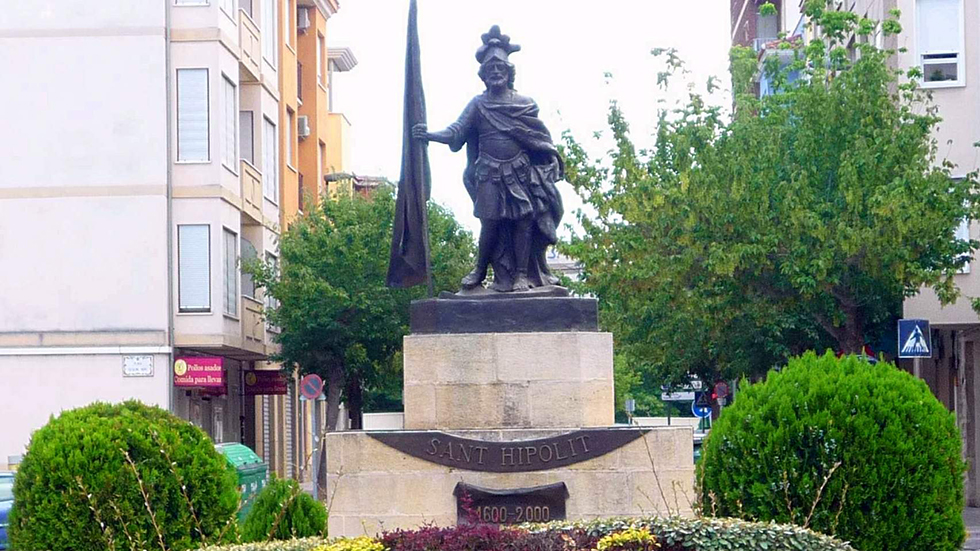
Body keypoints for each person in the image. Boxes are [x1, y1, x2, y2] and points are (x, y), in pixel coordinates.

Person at [413, 25, 563, 292]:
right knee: (490, 222)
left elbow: (539, 139)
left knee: (524, 220)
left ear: (508, 72)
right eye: (491, 69)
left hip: (519, 172)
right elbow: (456, 132)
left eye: (501, 68)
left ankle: (520, 275)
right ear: (483, 75)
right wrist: (429, 135)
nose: (496, 72)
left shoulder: (523, 104)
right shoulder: (478, 105)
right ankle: (481, 270)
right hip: (489, 173)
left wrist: (549, 162)